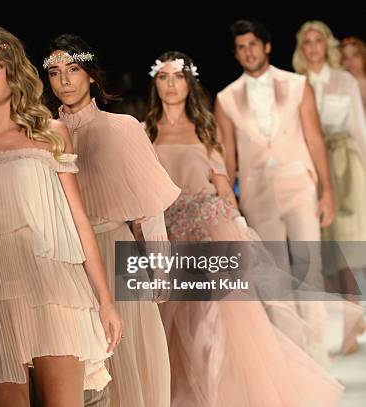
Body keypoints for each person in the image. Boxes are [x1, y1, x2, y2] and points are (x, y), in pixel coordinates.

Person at [146, 50, 344, 407]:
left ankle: (224, 396)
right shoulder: (145, 131)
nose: (171, 85)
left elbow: (223, 186)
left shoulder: (206, 129)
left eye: (177, 76)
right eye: (163, 77)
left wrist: (238, 227)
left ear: (189, 83)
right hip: (169, 236)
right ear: (155, 83)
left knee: (219, 325)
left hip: (211, 229)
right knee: (176, 327)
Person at [0, 24, 122, 407]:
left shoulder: (50, 133)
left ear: (12, 70)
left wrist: (105, 301)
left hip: (53, 289)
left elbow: (78, 220)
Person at [44, 33, 181, 407]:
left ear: (90, 75)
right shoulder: (42, 135)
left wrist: (160, 269)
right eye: (55, 73)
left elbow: (148, 209)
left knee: (129, 363)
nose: (65, 81)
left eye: (73, 70)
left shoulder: (123, 127)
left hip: (118, 254)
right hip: (67, 262)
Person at [215, 19, 334, 366]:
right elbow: (228, 159)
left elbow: (314, 139)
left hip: (298, 183)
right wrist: (227, 204)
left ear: (266, 46)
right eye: (240, 47)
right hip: (257, 191)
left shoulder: (298, 85)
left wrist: (327, 191)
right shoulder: (226, 99)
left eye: (253, 44)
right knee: (276, 273)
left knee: (308, 265)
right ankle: (295, 356)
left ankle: (318, 350)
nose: (247, 51)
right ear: (236, 54)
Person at [293, 20, 366, 353]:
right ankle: (329, 330)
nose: (312, 47)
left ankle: (352, 329)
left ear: (327, 44)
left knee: (350, 250)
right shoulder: (294, 83)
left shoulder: (344, 80)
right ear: (300, 47)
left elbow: (359, 130)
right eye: (306, 41)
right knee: (323, 253)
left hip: (347, 168)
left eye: (318, 40)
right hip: (309, 169)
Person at [340, 36, 366, 108]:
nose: (350, 61)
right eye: (345, 57)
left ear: (363, 56)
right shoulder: (341, 85)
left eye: (355, 55)